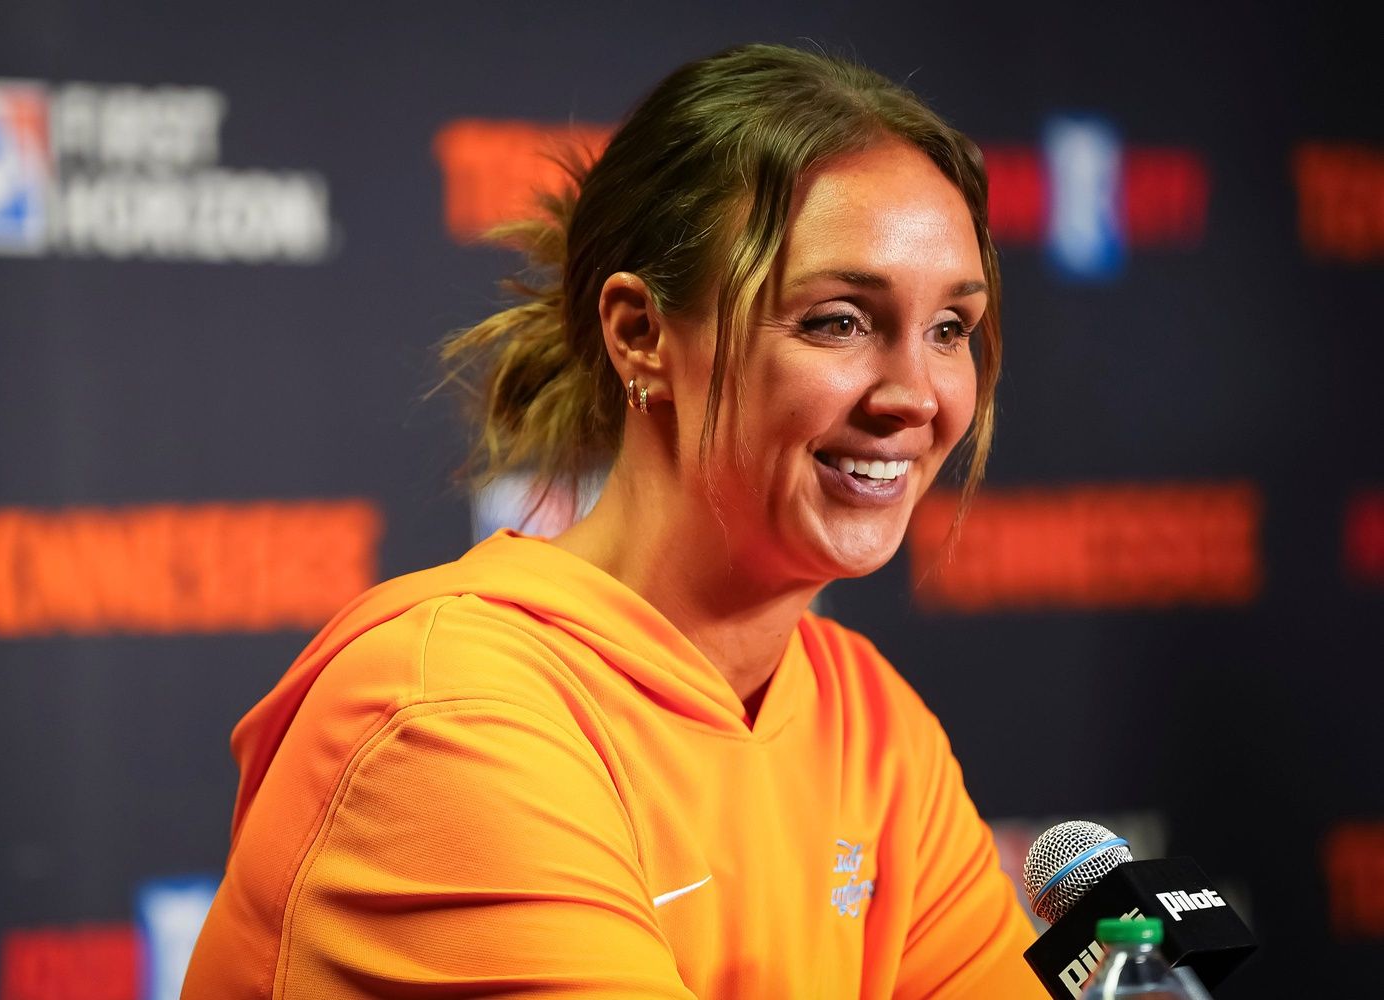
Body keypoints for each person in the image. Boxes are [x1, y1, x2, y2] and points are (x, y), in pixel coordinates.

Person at [183, 43, 1040, 999]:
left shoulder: (872, 725)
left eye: (951, 330)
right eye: (837, 320)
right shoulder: (449, 719)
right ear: (641, 334)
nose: (916, 395)